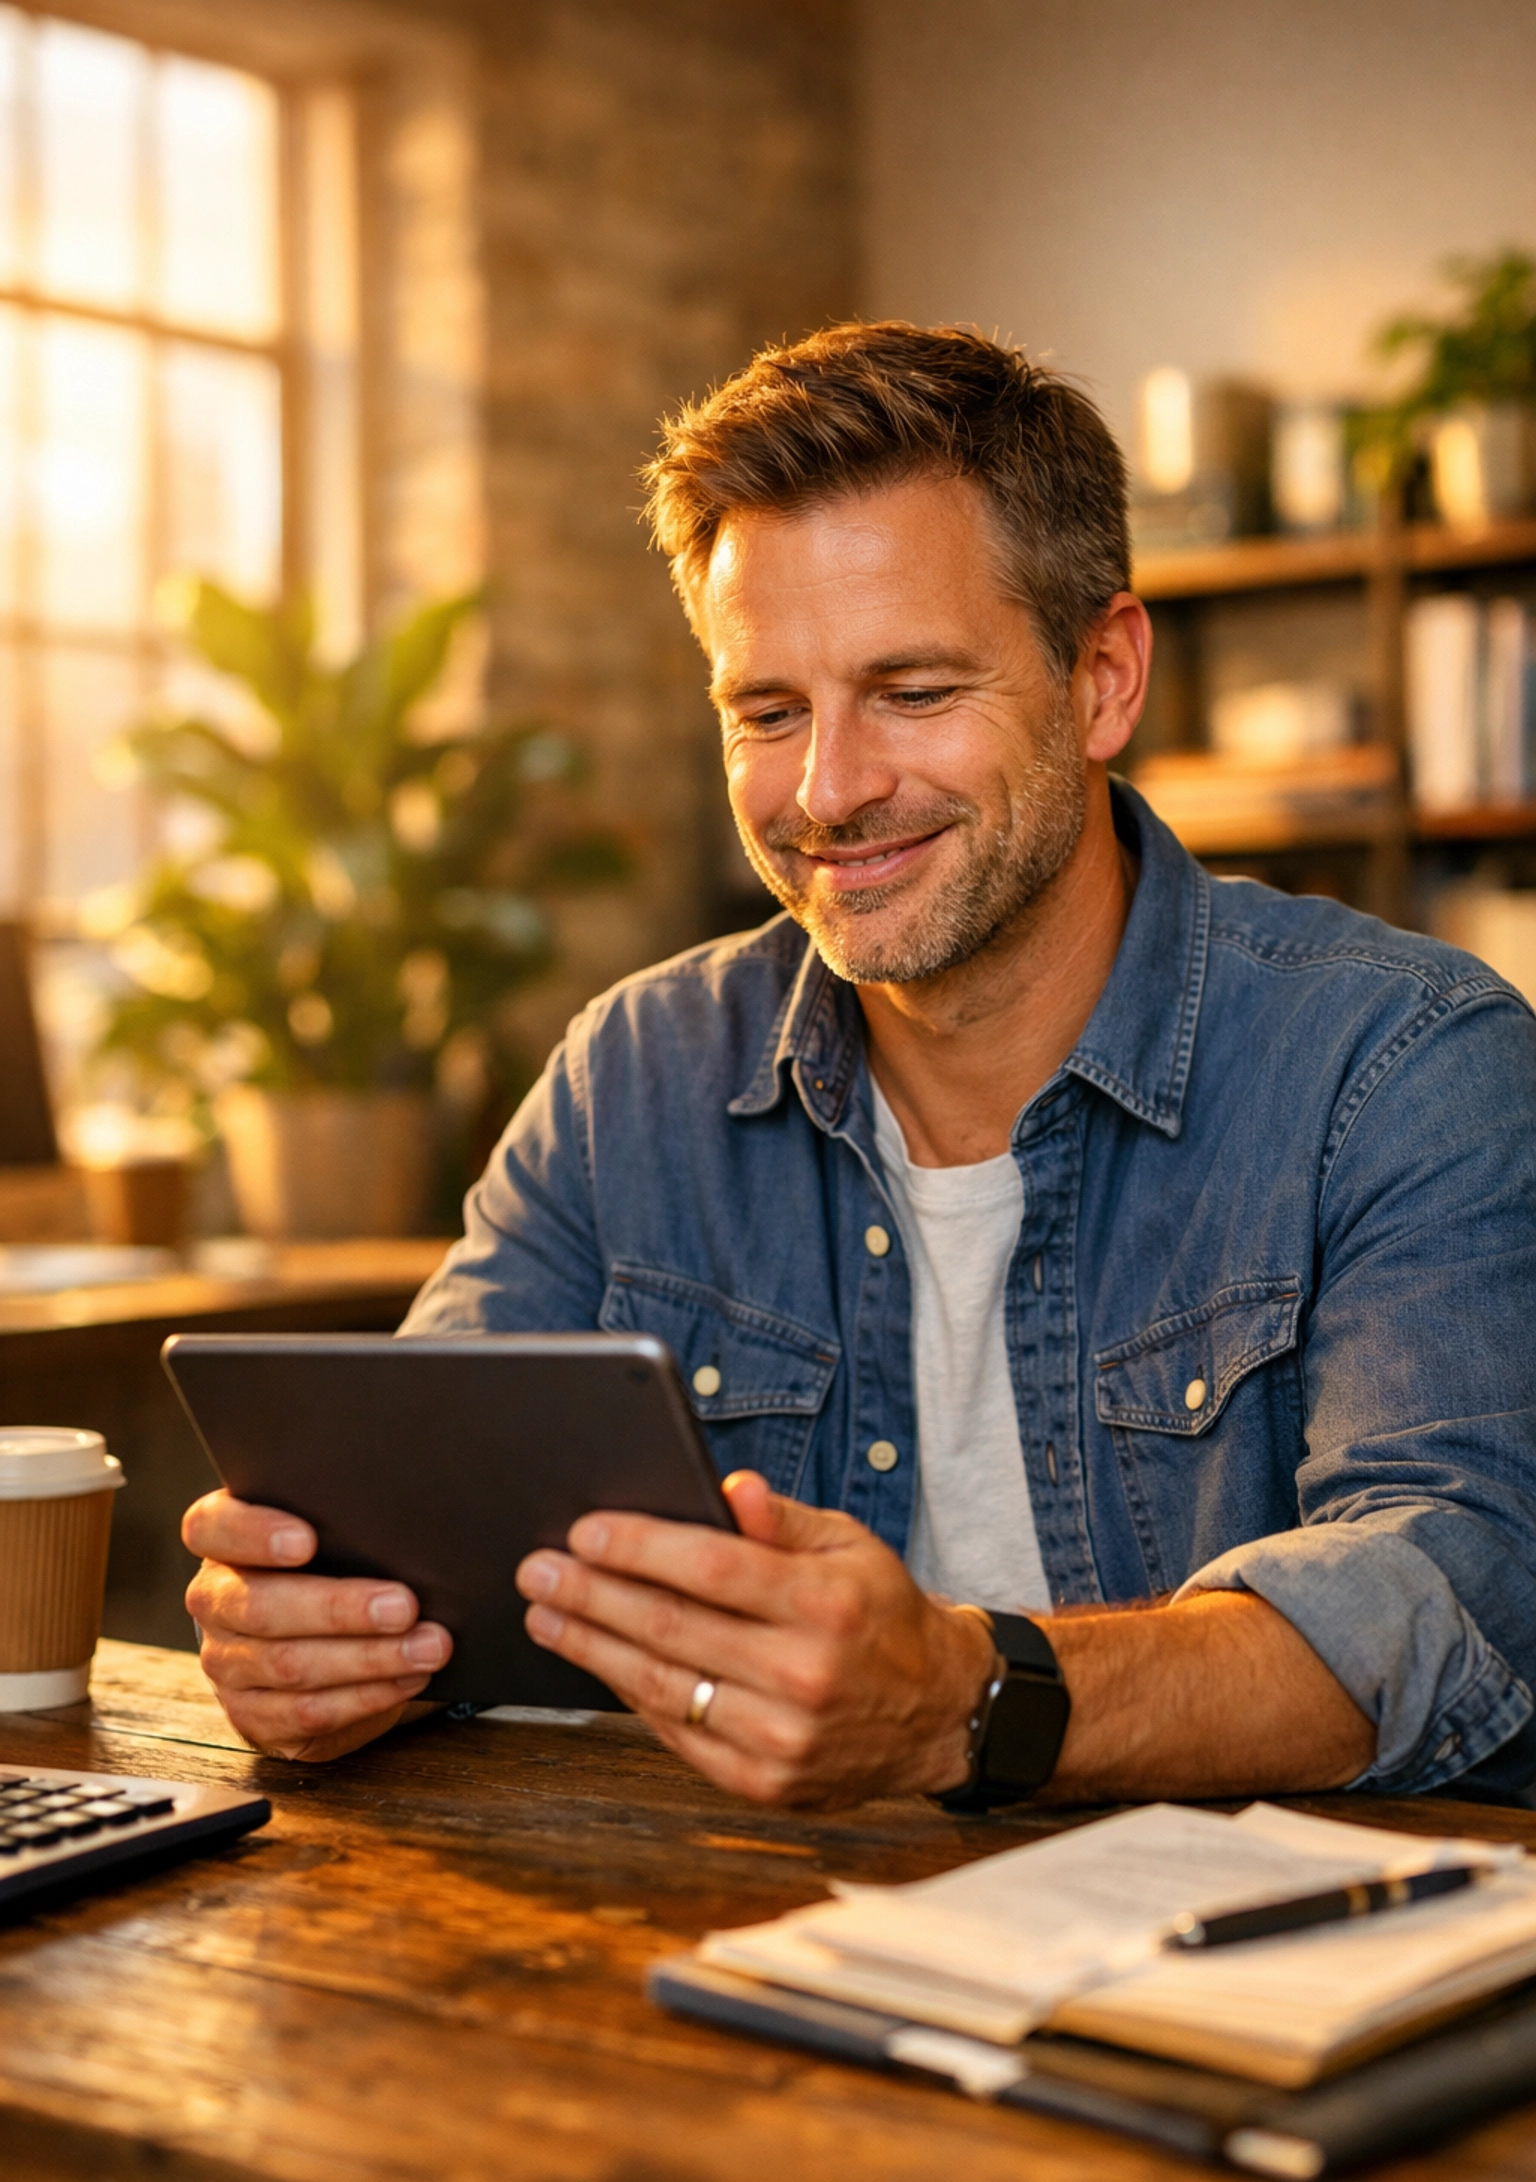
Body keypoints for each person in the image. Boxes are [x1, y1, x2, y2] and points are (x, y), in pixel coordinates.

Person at [183, 322, 1536, 1811]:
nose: (827, 791)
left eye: (913, 691)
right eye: (768, 712)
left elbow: (1452, 1596)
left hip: (1268, 1987)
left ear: (1102, 679)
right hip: (731, 1955)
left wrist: (973, 1699)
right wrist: (313, 1639)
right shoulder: (630, 1077)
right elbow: (411, 1523)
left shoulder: (1405, 1066)